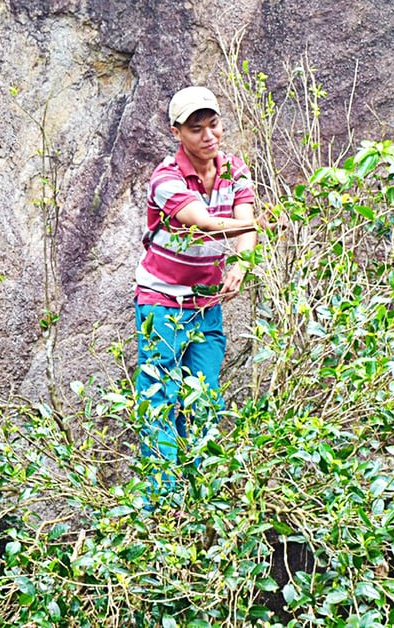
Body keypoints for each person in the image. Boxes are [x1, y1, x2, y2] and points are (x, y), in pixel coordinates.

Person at [134, 85, 271, 501]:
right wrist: (260, 227)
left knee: (204, 398)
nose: (209, 136)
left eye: (214, 125)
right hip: (162, 303)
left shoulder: (233, 169)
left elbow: (243, 218)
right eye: (197, 129)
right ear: (177, 132)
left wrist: (242, 263)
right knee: (161, 397)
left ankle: (202, 499)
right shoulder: (166, 179)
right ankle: (164, 500)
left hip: (206, 305)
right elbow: (205, 223)